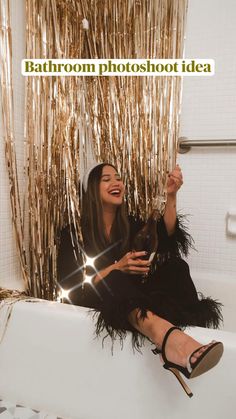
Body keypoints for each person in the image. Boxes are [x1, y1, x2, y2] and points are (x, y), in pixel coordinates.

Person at [58, 162, 223, 397]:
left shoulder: (131, 223)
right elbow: (70, 285)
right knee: (115, 279)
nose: (116, 182)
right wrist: (117, 267)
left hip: (132, 298)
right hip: (97, 299)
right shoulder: (74, 233)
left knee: (176, 266)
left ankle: (183, 335)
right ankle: (170, 341)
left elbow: (166, 238)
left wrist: (172, 195)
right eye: (106, 179)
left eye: (118, 177)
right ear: (93, 189)